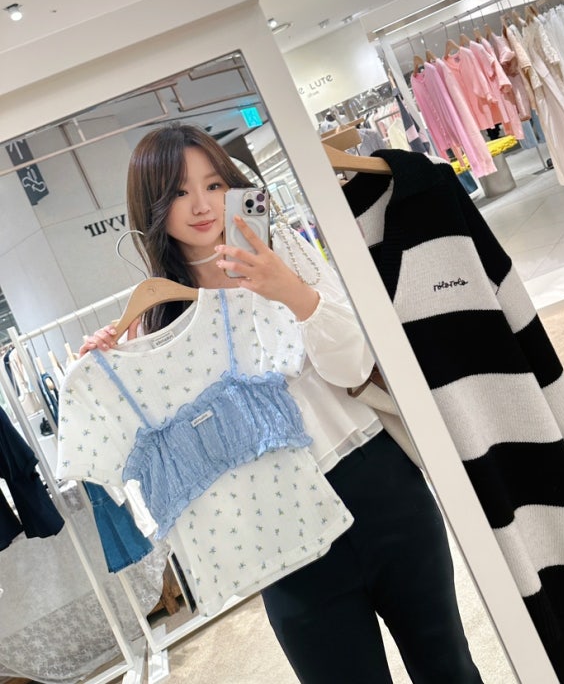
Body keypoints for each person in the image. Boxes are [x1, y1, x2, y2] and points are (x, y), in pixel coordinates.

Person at [78, 124, 484, 684]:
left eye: (214, 184)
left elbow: (355, 364)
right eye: (178, 192)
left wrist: (288, 289)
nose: (201, 205)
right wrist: (109, 364)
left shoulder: (282, 249)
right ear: (152, 208)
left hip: (378, 487)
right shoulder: (157, 326)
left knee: (449, 668)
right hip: (280, 535)